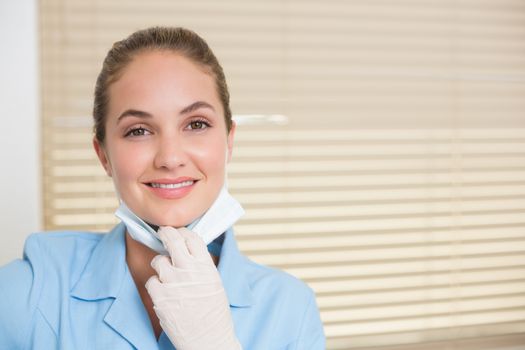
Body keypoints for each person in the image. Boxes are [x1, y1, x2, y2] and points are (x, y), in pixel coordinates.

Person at [0, 27, 325, 349]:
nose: (170, 158)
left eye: (196, 124)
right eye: (138, 130)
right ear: (104, 157)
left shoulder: (290, 312)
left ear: (228, 142)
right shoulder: (29, 293)